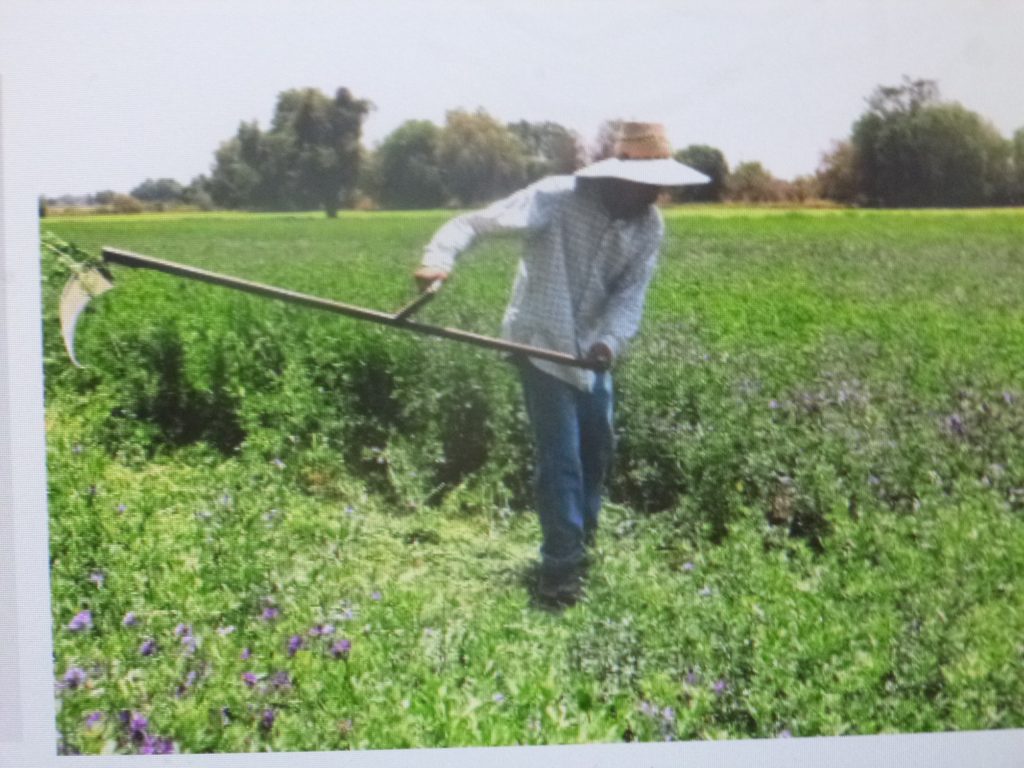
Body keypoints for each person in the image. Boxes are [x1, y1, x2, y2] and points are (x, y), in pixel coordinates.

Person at [414, 122, 707, 605]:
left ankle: (582, 544)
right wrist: (438, 259)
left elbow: (630, 296)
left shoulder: (649, 225)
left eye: (662, 182)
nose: (657, 192)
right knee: (563, 458)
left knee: (598, 451)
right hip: (540, 343)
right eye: (649, 180)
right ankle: (561, 568)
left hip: (593, 353)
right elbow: (473, 223)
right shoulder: (559, 198)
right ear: (620, 175)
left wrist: (609, 344)